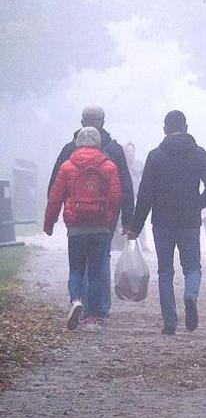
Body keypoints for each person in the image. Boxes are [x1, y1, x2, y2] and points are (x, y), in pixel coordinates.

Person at [127, 110, 206, 335]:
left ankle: (170, 322)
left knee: (165, 272)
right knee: (192, 267)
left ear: (164, 130)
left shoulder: (155, 156)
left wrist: (135, 226)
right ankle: (190, 294)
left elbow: (145, 195)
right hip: (189, 220)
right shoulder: (199, 154)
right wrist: (199, 204)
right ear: (186, 127)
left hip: (163, 221)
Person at [52, 106, 134, 321]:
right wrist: (126, 219)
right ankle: (98, 309)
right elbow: (123, 188)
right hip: (104, 219)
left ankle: (79, 300)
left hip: (76, 219)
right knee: (100, 262)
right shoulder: (113, 151)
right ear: (103, 122)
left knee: (78, 264)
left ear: (81, 122)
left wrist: (55, 216)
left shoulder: (69, 149)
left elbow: (54, 186)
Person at [42, 127, 124, 333]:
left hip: (76, 227)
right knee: (96, 273)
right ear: (98, 143)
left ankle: (76, 300)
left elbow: (55, 198)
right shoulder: (109, 166)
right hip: (100, 228)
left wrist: (49, 224)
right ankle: (90, 318)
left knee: (76, 269)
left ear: (78, 143)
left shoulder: (67, 166)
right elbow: (116, 199)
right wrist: (110, 220)